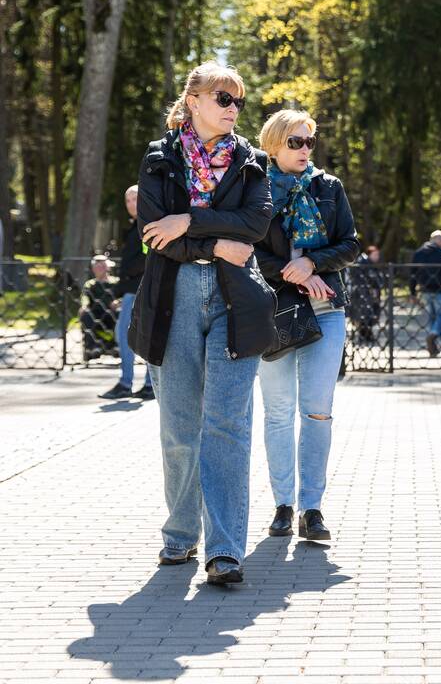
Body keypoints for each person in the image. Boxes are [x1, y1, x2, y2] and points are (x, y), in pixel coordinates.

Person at [131, 62, 274, 585]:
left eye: (238, 100)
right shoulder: (159, 158)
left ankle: (225, 550)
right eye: (223, 97)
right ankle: (179, 534)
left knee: (228, 425)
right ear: (193, 101)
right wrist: (216, 242)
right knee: (180, 425)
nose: (233, 108)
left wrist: (188, 220)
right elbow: (154, 233)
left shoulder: (252, 161)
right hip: (175, 295)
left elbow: (256, 224)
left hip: (238, 300)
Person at [254, 109, 360, 542]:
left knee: (317, 412)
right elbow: (247, 250)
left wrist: (314, 262)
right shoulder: (253, 188)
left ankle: (312, 509)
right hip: (272, 310)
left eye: (308, 142)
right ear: (274, 144)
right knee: (278, 414)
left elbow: (350, 243)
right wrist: (292, 271)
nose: (303, 150)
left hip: (325, 311)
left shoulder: (328, 187)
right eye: (294, 142)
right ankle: (283, 505)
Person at [101, 186, 154, 400]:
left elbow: (148, 257)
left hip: (140, 289)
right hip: (133, 290)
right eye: (128, 200)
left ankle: (130, 383)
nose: (131, 204)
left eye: (135, 198)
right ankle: (144, 384)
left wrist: (126, 281)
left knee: (126, 335)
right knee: (128, 335)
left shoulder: (146, 225)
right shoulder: (136, 227)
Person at [410, 230, 441, 356]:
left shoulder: (418, 253)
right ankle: (433, 335)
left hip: (424, 289)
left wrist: (412, 292)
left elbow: (413, 273)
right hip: (440, 289)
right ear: (439, 240)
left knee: (431, 317)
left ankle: (433, 347)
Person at [79, 255, 118, 362]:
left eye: (102, 266)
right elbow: (85, 297)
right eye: (97, 267)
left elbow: (122, 295)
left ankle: (116, 346)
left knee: (120, 314)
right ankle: (92, 347)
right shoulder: (90, 284)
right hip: (95, 313)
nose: (100, 269)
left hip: (112, 312)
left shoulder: (115, 282)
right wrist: (84, 306)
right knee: (86, 315)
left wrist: (118, 302)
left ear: (108, 268)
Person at [349, 245, 383, 344]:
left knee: (371, 314)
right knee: (364, 315)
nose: (377, 257)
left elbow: (378, 279)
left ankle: (367, 334)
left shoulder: (371, 264)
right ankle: (364, 334)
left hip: (370, 294)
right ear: (369, 254)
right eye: (375, 254)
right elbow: (359, 281)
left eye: (378, 255)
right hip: (362, 295)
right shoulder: (362, 263)